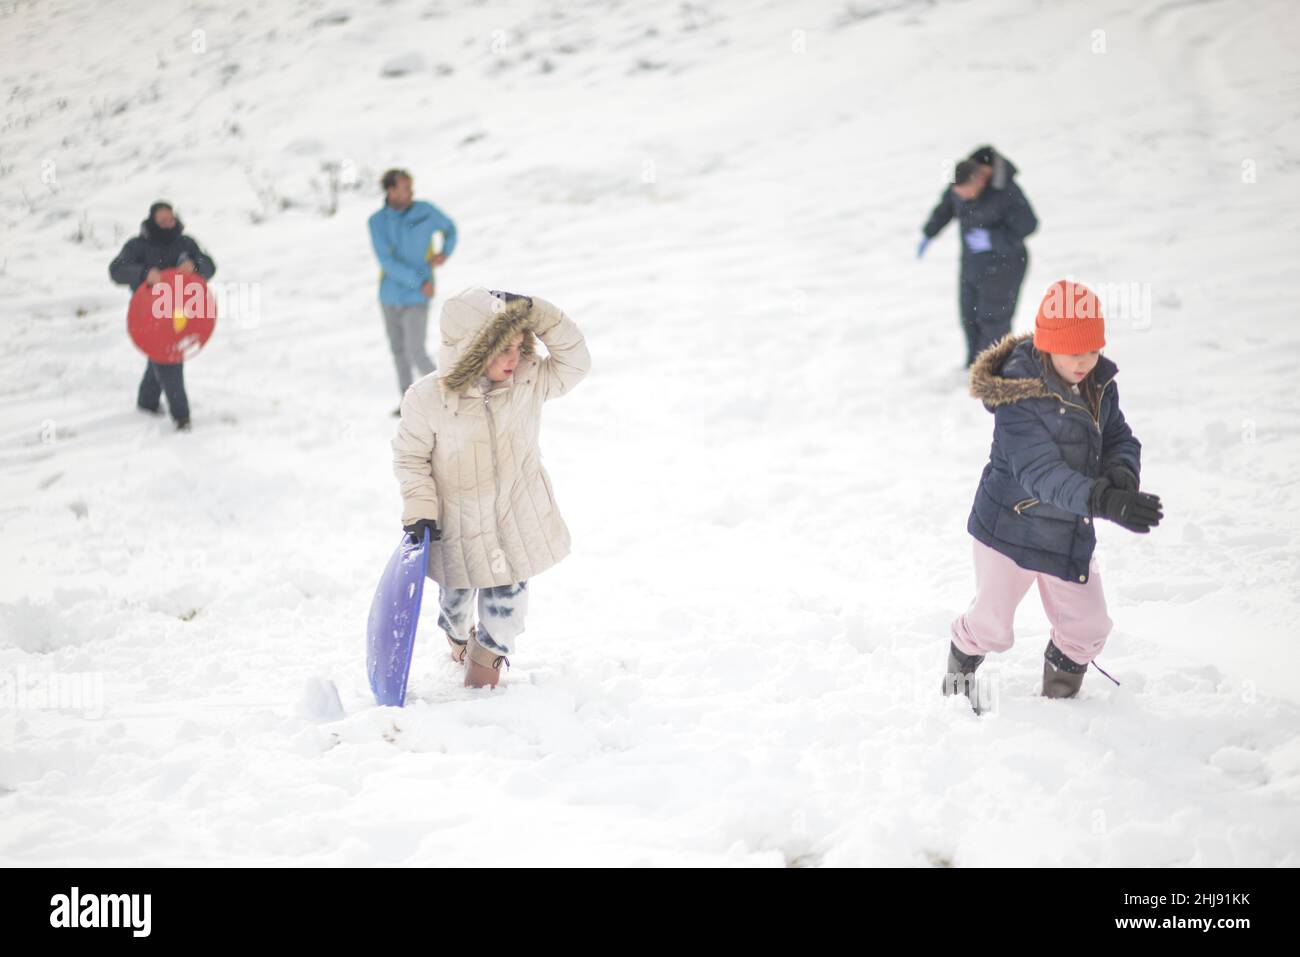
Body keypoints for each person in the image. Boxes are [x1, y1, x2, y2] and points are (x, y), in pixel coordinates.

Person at [944, 280, 1163, 712]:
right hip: (1008, 528)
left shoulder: (1098, 383)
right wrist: (1104, 502)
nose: (1084, 362)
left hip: (1066, 531)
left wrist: (1121, 475)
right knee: (990, 628)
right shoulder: (1018, 396)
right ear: (1046, 347)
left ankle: (1059, 706)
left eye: (1092, 349)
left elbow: (1118, 436)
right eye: (1072, 352)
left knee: (1088, 628)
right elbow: (1040, 473)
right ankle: (955, 684)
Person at [391, 287, 591, 688]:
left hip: (514, 521)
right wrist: (420, 511)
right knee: (455, 606)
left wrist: (535, 311)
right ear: (470, 348)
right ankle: (457, 635)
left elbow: (576, 361)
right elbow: (411, 458)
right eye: (502, 349)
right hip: (457, 528)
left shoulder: (528, 381)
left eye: (519, 345)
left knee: (505, 613)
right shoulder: (427, 398)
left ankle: (484, 675)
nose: (514, 358)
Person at [919, 145, 1038, 367]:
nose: (961, 198)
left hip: (1004, 267)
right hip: (972, 266)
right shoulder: (962, 182)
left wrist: (993, 240)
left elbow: (1029, 226)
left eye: (965, 192)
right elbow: (947, 206)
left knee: (993, 321)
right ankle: (973, 367)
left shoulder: (1007, 192)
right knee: (969, 318)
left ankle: (993, 372)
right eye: (958, 193)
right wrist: (929, 232)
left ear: (981, 181)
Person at [109, 201, 217, 431]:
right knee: (169, 358)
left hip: (182, 313)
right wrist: (144, 273)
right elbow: (116, 271)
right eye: (163, 220)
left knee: (161, 356)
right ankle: (182, 418)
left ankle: (147, 403)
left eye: (171, 218)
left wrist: (195, 266)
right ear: (153, 222)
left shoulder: (186, 243)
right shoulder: (138, 245)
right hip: (150, 315)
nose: (169, 223)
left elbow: (210, 267)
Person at [368, 169, 458, 408]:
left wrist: (444, 252)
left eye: (411, 187)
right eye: (405, 188)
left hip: (419, 294)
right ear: (391, 191)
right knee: (398, 351)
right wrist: (419, 279)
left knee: (416, 350)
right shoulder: (377, 222)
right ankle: (408, 403)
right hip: (390, 295)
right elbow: (387, 262)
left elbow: (450, 228)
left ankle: (448, 395)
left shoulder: (424, 211)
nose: (411, 192)